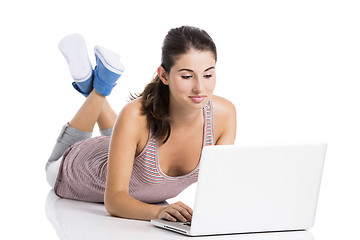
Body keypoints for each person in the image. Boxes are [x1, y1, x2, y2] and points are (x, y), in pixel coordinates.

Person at [46, 26, 236, 223]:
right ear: (164, 75)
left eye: (208, 75)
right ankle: (101, 88)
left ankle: (91, 83)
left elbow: (216, 189)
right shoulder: (135, 115)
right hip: (79, 165)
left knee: (127, 132)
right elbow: (114, 201)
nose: (200, 88)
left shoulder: (224, 115)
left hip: (126, 148)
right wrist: (158, 213)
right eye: (187, 76)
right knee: (51, 165)